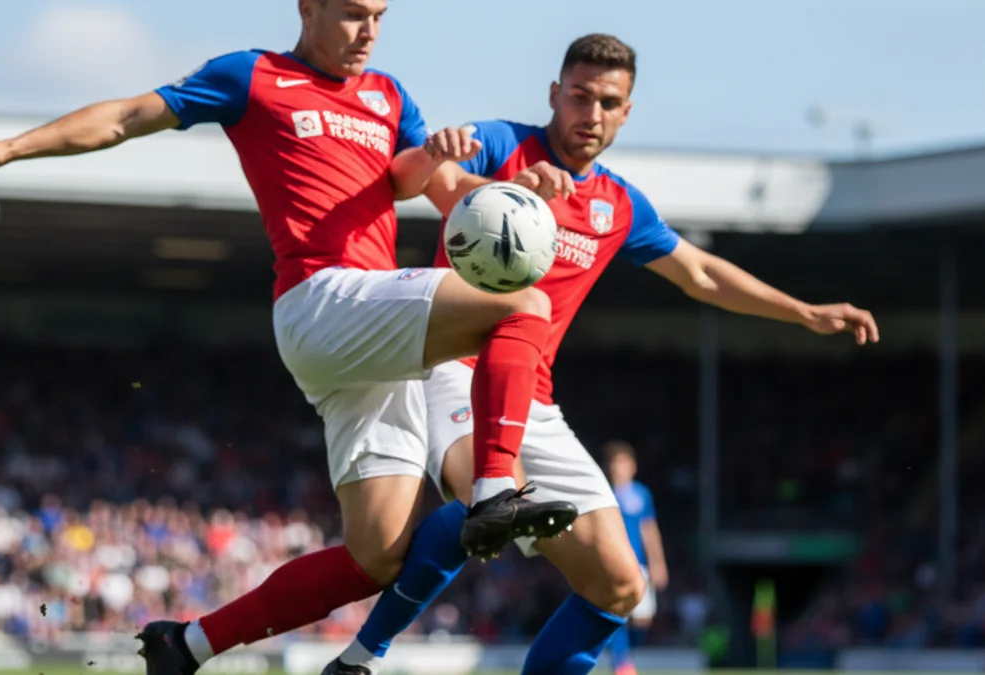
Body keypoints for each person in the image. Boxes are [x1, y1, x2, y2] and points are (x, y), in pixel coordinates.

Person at [0, 1, 580, 673]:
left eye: (380, 17)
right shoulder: (253, 76)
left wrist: (516, 190)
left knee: (376, 557)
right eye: (352, 14)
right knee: (524, 303)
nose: (368, 32)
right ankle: (491, 491)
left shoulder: (389, 95)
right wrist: (11, 147)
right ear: (308, 7)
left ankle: (186, 644)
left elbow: (439, 190)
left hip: (369, 338)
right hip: (324, 296)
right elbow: (131, 115)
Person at [321, 33, 879, 675]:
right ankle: (361, 659)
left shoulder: (619, 205)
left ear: (626, 111)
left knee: (620, 584)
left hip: (536, 399)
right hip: (454, 370)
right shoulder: (504, 143)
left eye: (607, 102)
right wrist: (466, 167)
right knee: (491, 499)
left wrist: (804, 312)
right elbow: (426, 176)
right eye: (579, 97)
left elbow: (700, 274)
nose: (591, 114)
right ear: (554, 95)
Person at [603, 441, 668, 675]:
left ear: (633, 466)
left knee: (642, 619)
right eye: (615, 463)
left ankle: (622, 657)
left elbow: (649, 530)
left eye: (623, 462)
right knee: (618, 612)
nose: (618, 468)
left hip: (639, 563)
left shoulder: (641, 494)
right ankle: (621, 663)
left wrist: (658, 562)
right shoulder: (605, 493)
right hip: (614, 562)